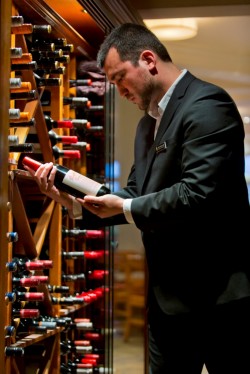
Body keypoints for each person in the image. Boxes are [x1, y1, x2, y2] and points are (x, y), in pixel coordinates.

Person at [24, 23, 250, 374]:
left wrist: (125, 206)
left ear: (148, 60)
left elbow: (198, 193)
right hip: (168, 302)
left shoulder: (208, 103)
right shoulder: (148, 124)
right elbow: (133, 193)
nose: (118, 90)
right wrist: (68, 197)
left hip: (220, 301)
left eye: (119, 78)